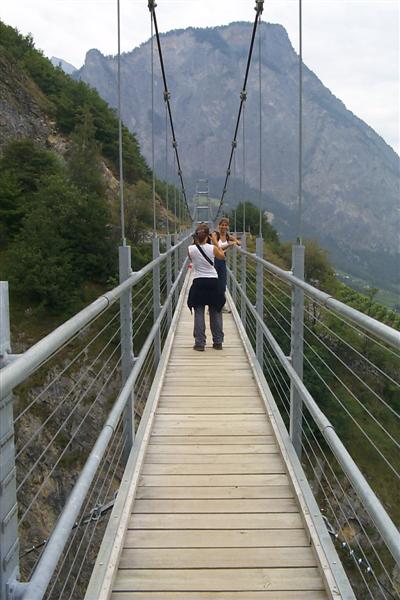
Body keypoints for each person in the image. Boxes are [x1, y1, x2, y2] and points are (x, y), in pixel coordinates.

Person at [187, 223, 226, 351]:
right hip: (213, 282)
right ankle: (218, 342)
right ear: (208, 236)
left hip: (198, 282)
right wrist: (214, 241)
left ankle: (200, 343)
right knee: (215, 311)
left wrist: (195, 241)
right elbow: (222, 256)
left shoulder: (191, 249)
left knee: (199, 311)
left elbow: (191, 259)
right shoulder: (212, 248)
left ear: (196, 236)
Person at [214, 217, 240, 312]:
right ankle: (212, 306)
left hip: (222, 261)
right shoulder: (215, 235)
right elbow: (218, 248)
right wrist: (230, 244)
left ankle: (221, 305)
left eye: (226, 225)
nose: (224, 227)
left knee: (222, 284)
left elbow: (233, 239)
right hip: (214, 261)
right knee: (214, 284)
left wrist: (237, 241)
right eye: (222, 225)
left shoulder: (227, 236)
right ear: (219, 225)